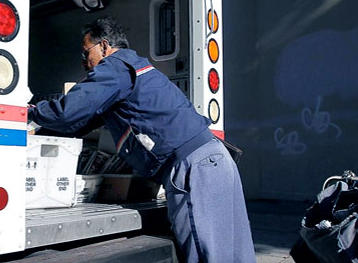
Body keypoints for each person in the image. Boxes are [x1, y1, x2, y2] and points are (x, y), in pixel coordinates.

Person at [27, 18, 256, 262]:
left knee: (206, 255)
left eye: (85, 53)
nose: (84, 63)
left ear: (104, 46)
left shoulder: (115, 66)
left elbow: (67, 112)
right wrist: (37, 136)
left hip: (194, 169)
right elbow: (79, 122)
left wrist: (27, 112)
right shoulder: (132, 69)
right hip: (216, 162)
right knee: (233, 253)